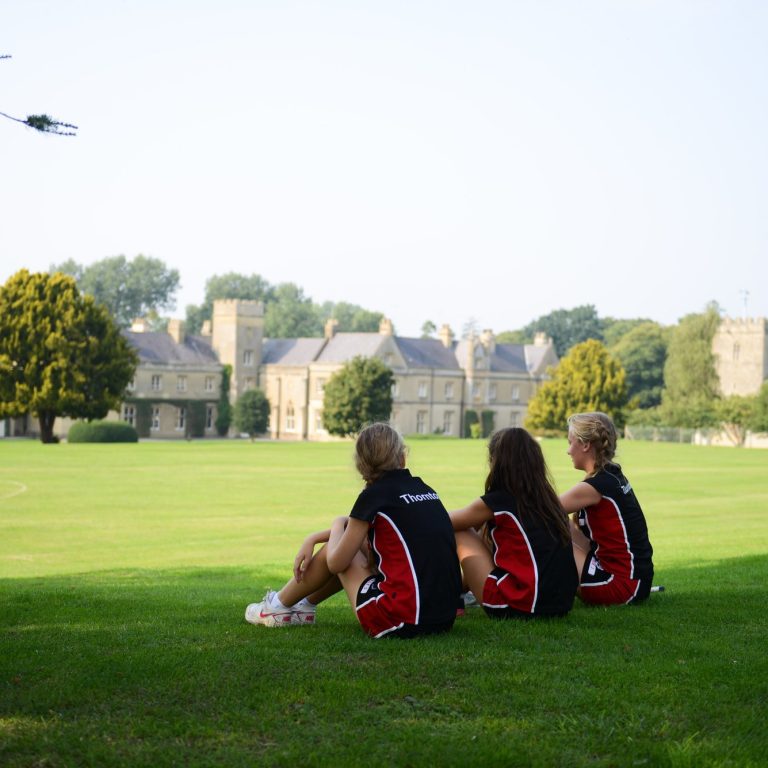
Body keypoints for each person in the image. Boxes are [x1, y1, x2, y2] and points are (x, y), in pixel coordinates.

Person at [245, 422, 462, 639]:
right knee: (359, 545)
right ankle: (303, 605)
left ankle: (274, 607)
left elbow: (336, 562)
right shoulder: (425, 490)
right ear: (402, 458)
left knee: (338, 549)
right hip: (443, 618)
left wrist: (338, 521)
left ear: (361, 466)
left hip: (401, 620)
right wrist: (314, 537)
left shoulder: (373, 497)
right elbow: (358, 535)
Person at [449, 427, 578, 619]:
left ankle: (445, 594)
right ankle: (455, 593)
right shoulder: (548, 501)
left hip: (520, 604)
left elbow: (444, 522)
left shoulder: (498, 500)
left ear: (497, 462)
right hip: (560, 603)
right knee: (485, 527)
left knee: (461, 533)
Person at [560, 412, 654, 605]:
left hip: (620, 586)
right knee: (557, 523)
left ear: (586, 445)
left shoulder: (596, 485)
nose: (568, 451)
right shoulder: (611, 475)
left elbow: (541, 509)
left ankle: (507, 585)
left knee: (546, 529)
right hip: (636, 582)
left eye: (571, 443)